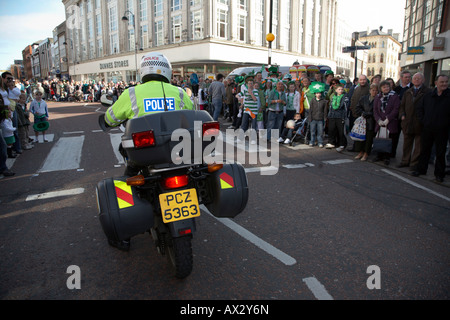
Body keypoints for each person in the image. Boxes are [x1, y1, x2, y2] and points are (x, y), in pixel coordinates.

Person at [412, 75, 450, 183]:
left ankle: (439, 174)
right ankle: (421, 169)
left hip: (442, 129)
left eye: (446, 82)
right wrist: (423, 120)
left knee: (440, 153)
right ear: (436, 82)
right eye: (442, 82)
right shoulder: (428, 96)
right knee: (424, 150)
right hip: (427, 128)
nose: (444, 84)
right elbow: (419, 109)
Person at [397, 73, 431, 170]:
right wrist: (402, 115)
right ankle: (405, 161)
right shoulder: (408, 92)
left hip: (420, 123)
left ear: (423, 80)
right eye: (415, 78)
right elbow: (402, 106)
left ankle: (414, 163)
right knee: (406, 144)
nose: (416, 80)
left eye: (419, 78)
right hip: (407, 122)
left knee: (418, 146)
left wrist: (424, 120)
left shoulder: (427, 92)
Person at [373, 80, 400, 165]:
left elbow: (396, 109)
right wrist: (378, 120)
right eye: (384, 87)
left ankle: (387, 157)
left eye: (387, 87)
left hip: (390, 122)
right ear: (381, 88)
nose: (386, 88)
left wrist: (388, 119)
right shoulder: (378, 96)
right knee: (380, 138)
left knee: (388, 140)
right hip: (380, 122)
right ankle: (379, 155)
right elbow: (375, 110)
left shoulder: (394, 96)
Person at [353, 84, 379, 161]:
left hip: (371, 122)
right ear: (370, 90)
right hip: (363, 121)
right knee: (361, 138)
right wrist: (362, 113)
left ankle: (366, 153)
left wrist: (370, 114)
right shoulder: (364, 98)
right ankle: (360, 152)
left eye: (376, 90)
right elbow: (357, 107)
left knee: (369, 139)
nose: (374, 92)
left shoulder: (378, 99)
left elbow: (378, 111)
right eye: (373, 90)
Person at [237, 76, 260, 144]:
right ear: (247, 84)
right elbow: (238, 95)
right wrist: (238, 97)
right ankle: (240, 138)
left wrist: (250, 93)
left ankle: (253, 139)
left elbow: (255, 99)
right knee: (243, 124)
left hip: (253, 111)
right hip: (246, 110)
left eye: (251, 83)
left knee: (253, 125)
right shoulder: (244, 91)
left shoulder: (255, 91)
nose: (250, 85)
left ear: (253, 84)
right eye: (249, 83)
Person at [325, 84, 348, 152]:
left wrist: (344, 116)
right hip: (332, 115)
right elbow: (331, 106)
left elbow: (345, 108)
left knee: (340, 131)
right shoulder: (333, 96)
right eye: (339, 89)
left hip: (340, 116)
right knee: (331, 129)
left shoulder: (345, 97)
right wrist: (329, 115)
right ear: (336, 90)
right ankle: (332, 142)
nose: (340, 91)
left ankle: (342, 144)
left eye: (341, 89)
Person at [308, 82, 327, 148]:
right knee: (312, 131)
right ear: (315, 94)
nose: (318, 94)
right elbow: (310, 110)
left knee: (320, 132)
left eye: (319, 93)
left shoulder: (323, 101)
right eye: (317, 93)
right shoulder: (312, 100)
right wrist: (310, 118)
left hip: (320, 119)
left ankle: (320, 142)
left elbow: (325, 110)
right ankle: (312, 141)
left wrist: (325, 118)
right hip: (313, 118)